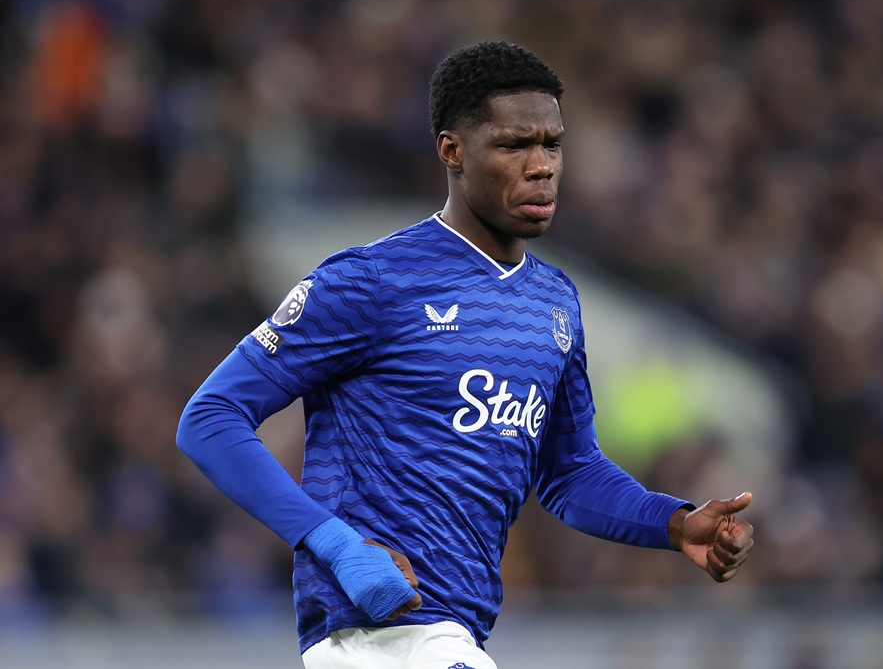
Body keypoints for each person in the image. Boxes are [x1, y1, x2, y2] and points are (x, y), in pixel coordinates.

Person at [176, 40, 754, 669]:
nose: (542, 166)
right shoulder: (373, 281)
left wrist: (672, 524)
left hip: (456, 634)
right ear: (452, 150)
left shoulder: (554, 304)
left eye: (552, 145)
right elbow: (210, 419)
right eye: (514, 146)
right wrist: (337, 545)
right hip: (381, 633)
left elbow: (570, 473)